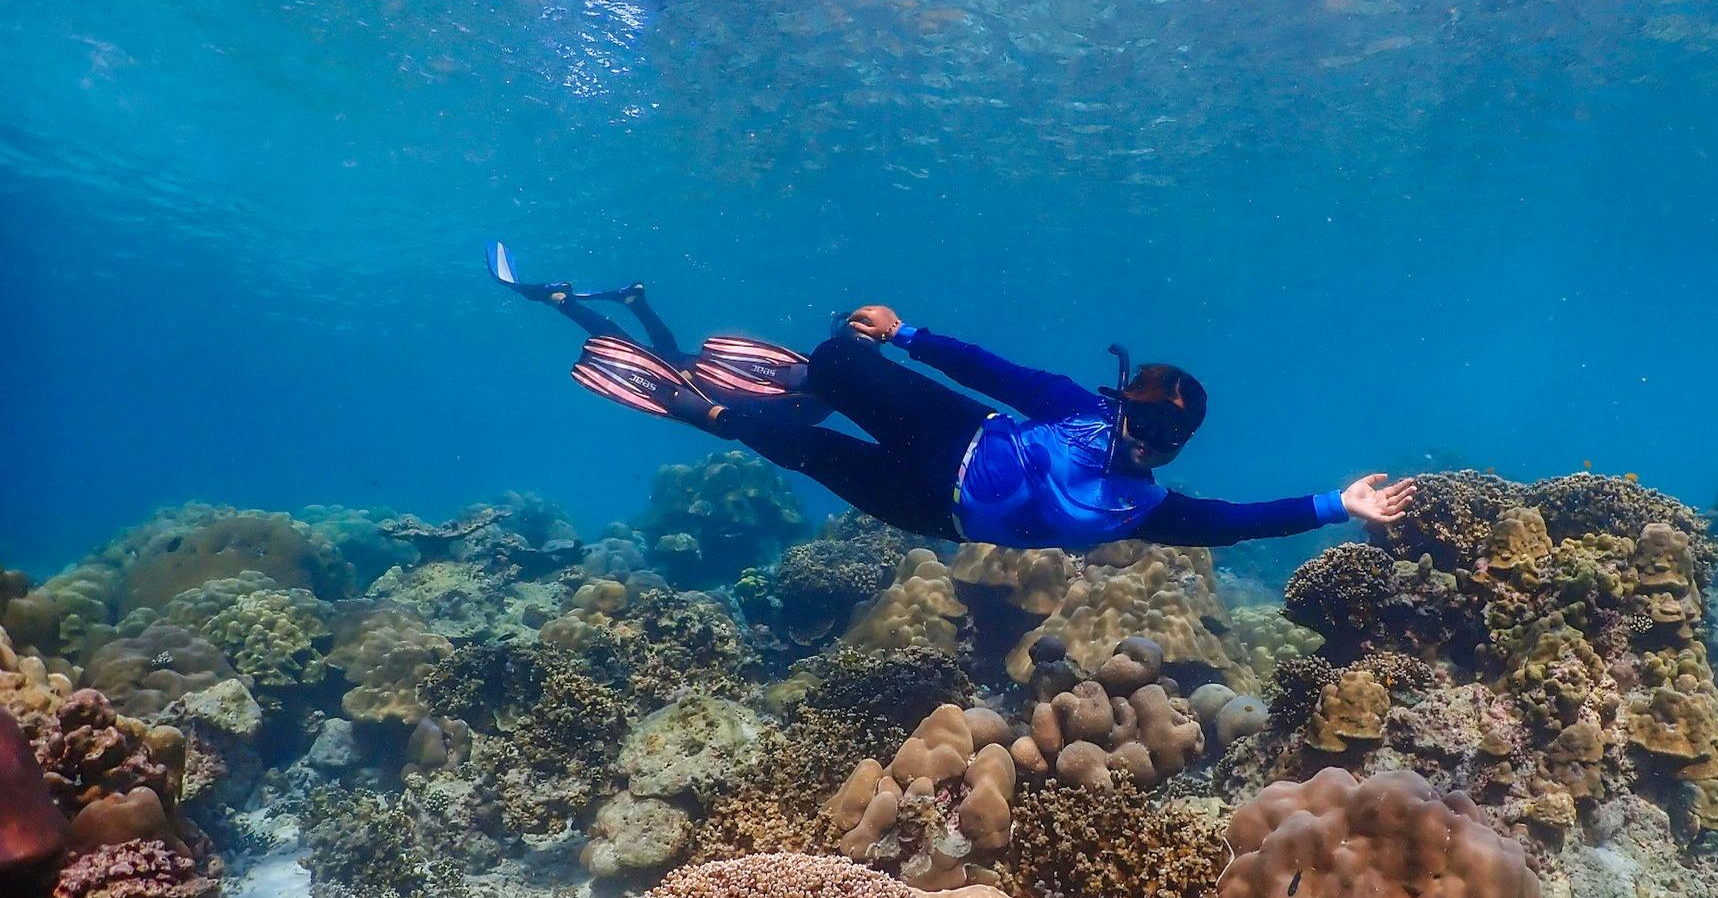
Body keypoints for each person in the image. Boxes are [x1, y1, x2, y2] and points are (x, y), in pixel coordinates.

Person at [490, 243, 1415, 548]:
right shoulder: (1075, 408)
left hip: (939, 506)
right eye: (1143, 425)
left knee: (792, 448)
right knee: (838, 353)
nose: (1146, 448)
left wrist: (1340, 503)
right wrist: (905, 333)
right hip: (966, 430)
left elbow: (1235, 520)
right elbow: (992, 371)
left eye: (1165, 443)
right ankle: (815, 382)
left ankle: (725, 411)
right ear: (1123, 406)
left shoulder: (1149, 509)